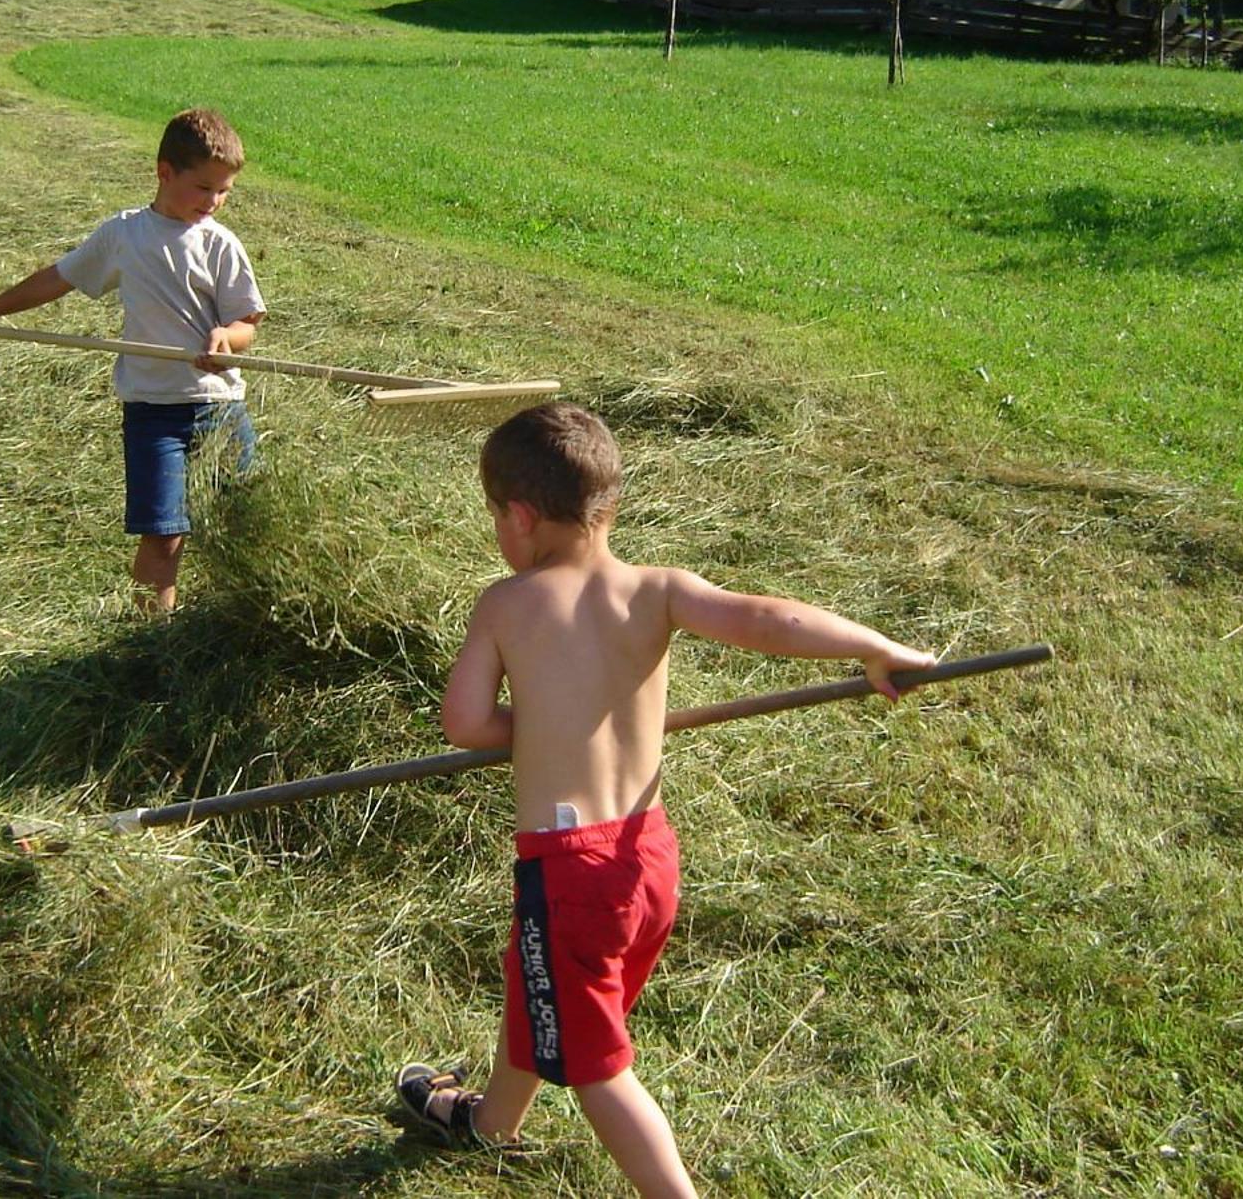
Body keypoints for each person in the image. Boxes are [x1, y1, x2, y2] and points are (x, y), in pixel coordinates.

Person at [395, 402, 935, 1198]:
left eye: (494, 520)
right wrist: (870, 646)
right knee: (547, 988)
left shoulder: (506, 605)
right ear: (608, 505)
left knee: (595, 1065)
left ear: (518, 516)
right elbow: (765, 618)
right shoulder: (658, 591)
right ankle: (491, 1123)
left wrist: (540, 723)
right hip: (646, 855)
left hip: (571, 869)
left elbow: (467, 722)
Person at [0, 108, 265, 614]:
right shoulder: (124, 235)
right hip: (154, 413)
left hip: (219, 406)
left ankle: (242, 622)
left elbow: (247, 323)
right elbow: (57, 278)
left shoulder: (221, 245)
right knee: (164, 535)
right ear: (164, 171)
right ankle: (153, 642)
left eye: (225, 192)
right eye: (204, 188)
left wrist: (226, 338)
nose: (214, 202)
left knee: (245, 523)